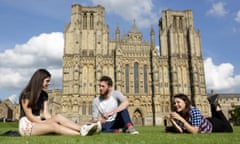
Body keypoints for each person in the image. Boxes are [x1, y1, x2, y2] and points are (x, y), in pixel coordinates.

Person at [18, 69, 100, 136]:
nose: (48, 83)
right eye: (47, 81)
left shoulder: (44, 95)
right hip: (27, 124)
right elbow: (29, 116)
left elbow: (46, 114)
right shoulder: (27, 95)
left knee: (58, 117)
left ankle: (83, 129)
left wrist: (54, 120)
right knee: (54, 126)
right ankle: (82, 131)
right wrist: (44, 123)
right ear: (40, 80)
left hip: (38, 122)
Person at [166, 93, 233, 134]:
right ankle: (213, 104)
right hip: (203, 121)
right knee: (218, 118)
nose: (175, 105)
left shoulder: (193, 111)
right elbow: (180, 131)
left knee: (229, 129)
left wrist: (181, 119)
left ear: (185, 102)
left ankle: (215, 106)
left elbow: (195, 132)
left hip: (213, 125)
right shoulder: (178, 113)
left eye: (178, 102)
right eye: (174, 103)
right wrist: (172, 121)